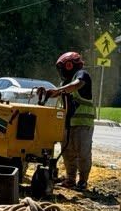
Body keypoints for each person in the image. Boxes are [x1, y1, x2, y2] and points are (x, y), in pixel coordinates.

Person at [41, 51, 95, 190]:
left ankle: (82, 181)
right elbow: (58, 93)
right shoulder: (65, 83)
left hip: (83, 124)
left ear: (70, 65)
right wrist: (46, 92)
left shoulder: (82, 75)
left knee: (83, 153)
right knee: (68, 153)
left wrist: (58, 91)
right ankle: (70, 179)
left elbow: (76, 85)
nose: (61, 72)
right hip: (67, 124)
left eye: (62, 68)